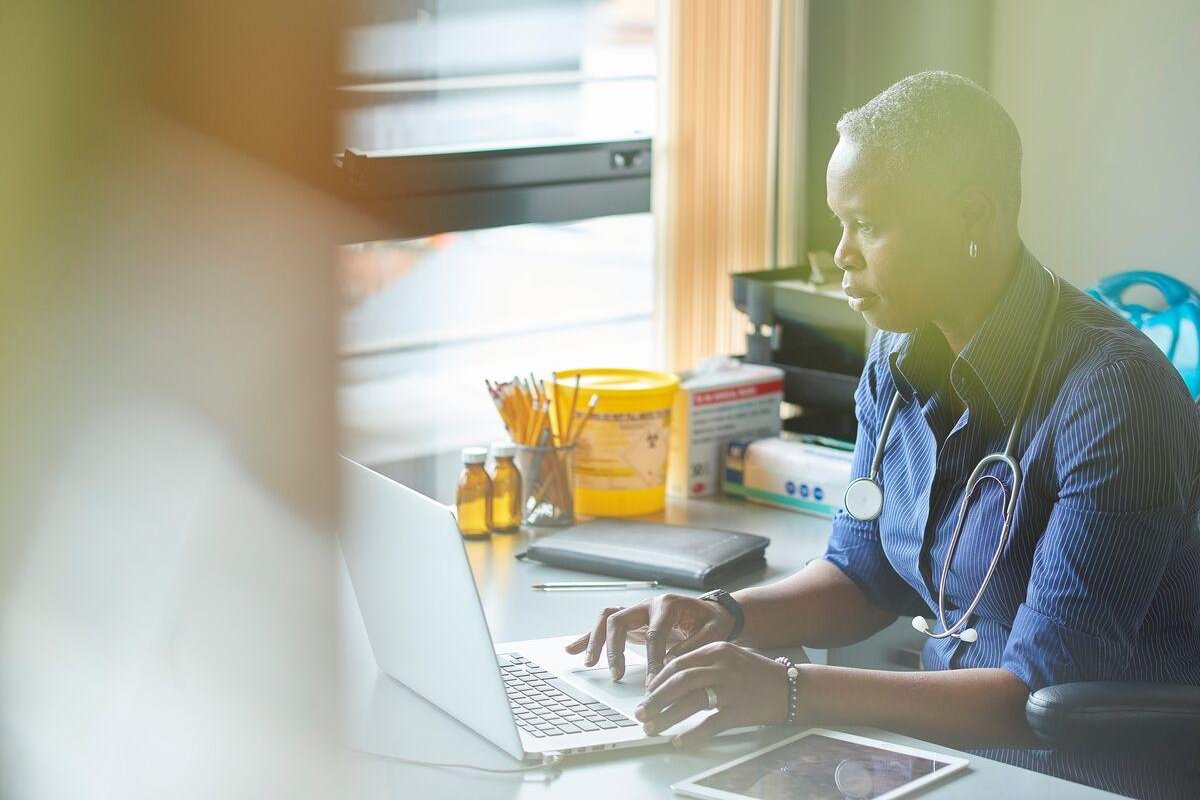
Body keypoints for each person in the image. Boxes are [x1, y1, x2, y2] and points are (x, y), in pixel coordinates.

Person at [567, 71, 1200, 799]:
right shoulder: (895, 354)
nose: (840, 255)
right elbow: (863, 577)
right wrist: (723, 618)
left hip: (1082, 775)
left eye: (867, 225)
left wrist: (788, 689)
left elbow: (1034, 697)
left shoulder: (1117, 394)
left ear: (973, 214)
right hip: (939, 756)